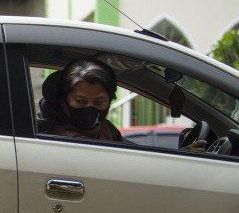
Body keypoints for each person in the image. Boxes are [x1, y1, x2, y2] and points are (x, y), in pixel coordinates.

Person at [38, 58, 207, 151]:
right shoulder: (64, 138)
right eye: (80, 101)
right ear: (64, 101)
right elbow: (131, 164)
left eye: (98, 102)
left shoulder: (104, 128)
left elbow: (136, 153)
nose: (89, 108)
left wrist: (178, 156)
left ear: (109, 101)